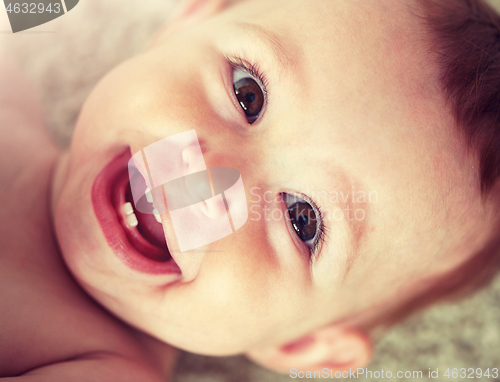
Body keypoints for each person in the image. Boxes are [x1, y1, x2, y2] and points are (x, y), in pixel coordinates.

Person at [1, 0, 499, 379]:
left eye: (303, 219)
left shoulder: (93, 366)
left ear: (301, 344)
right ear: (193, 17)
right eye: (248, 93)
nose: (213, 176)